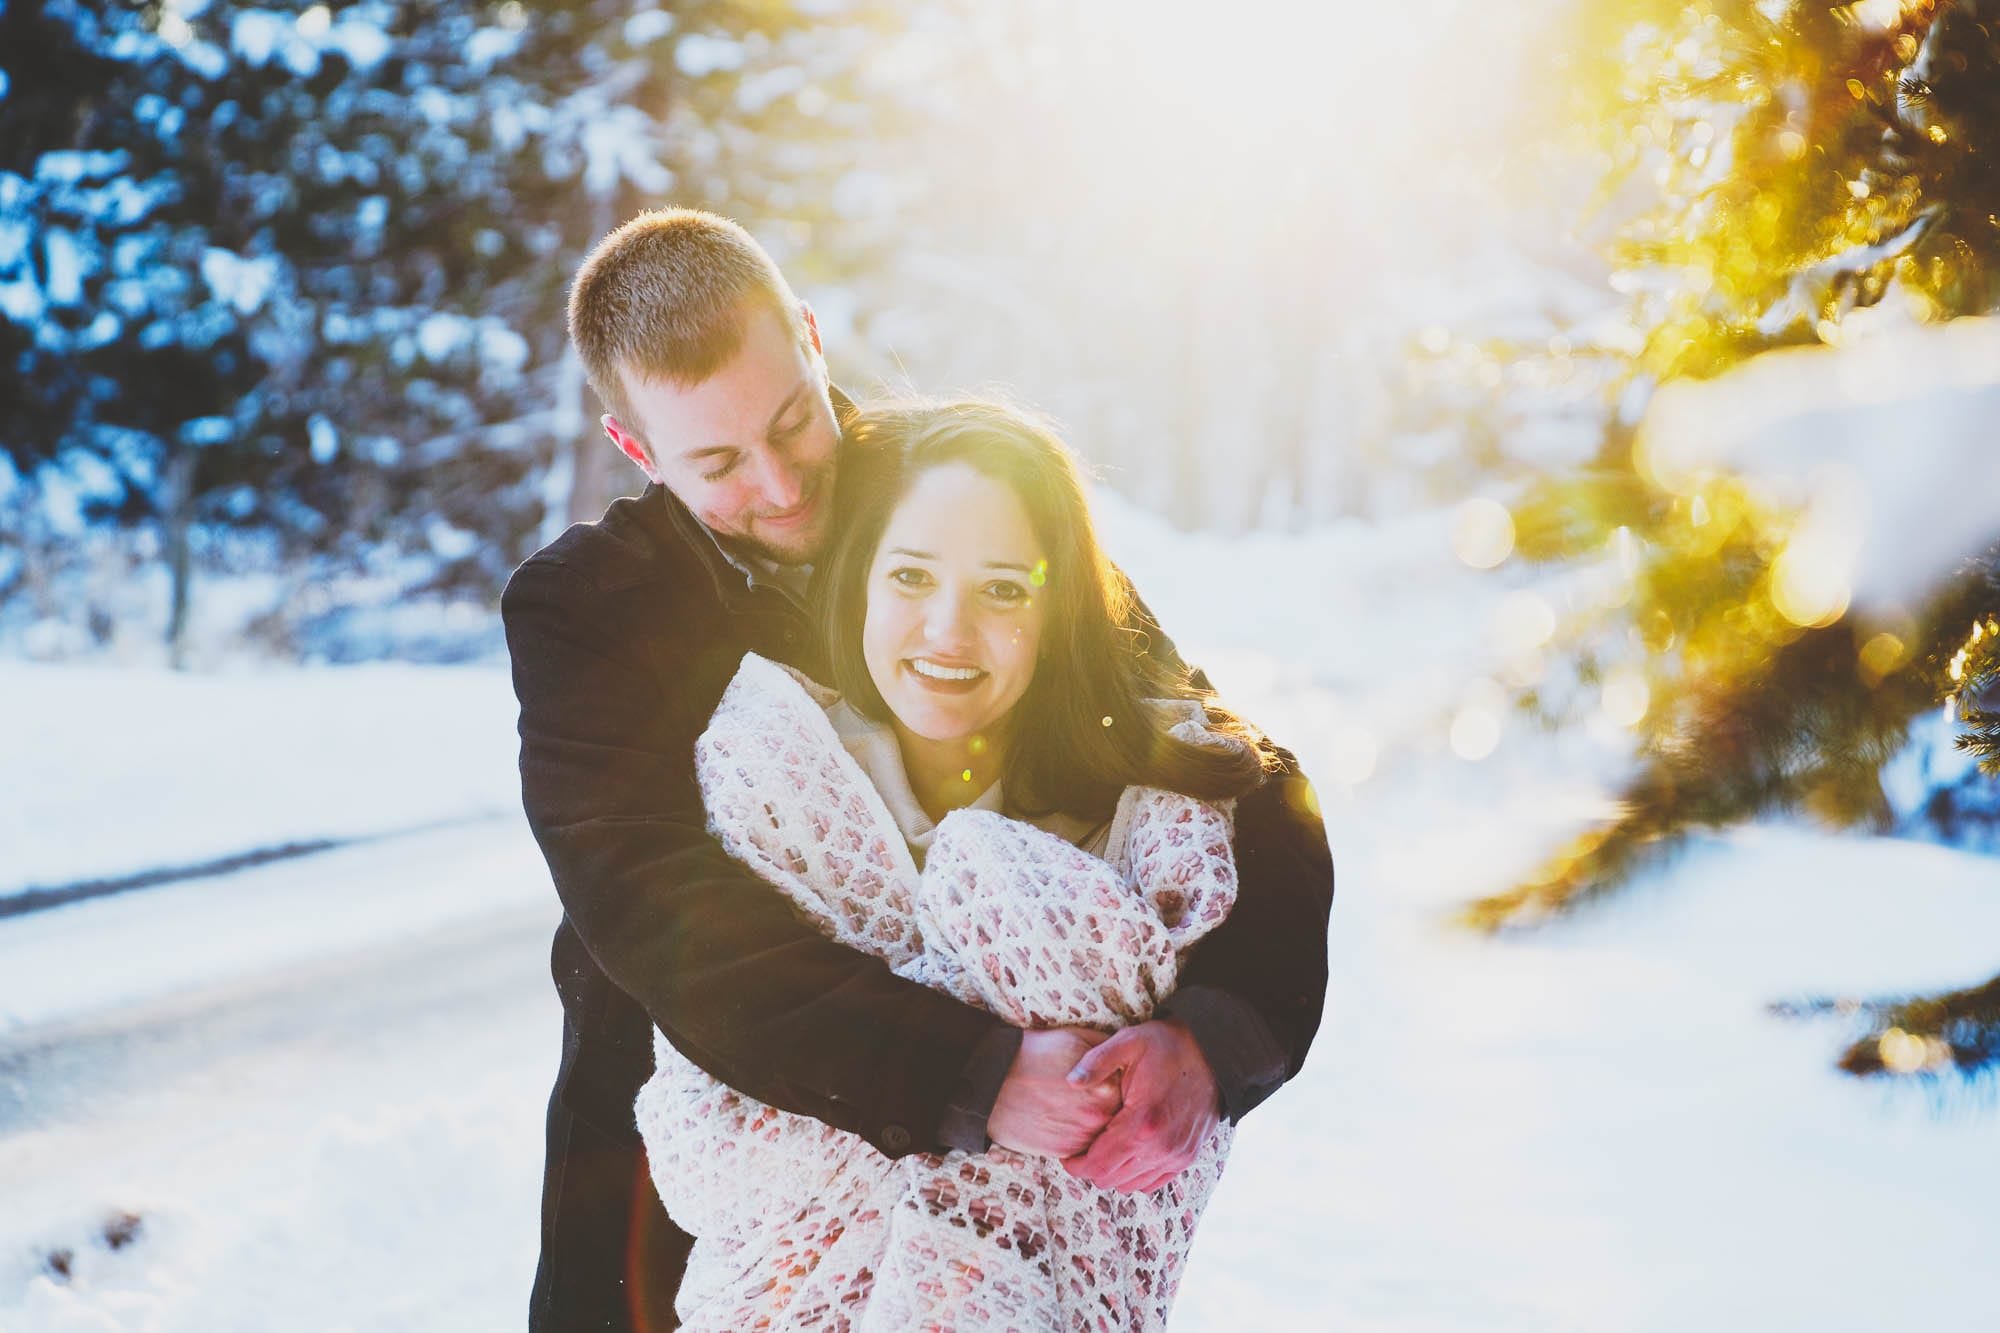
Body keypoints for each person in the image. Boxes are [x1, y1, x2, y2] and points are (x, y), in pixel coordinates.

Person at [502, 208, 1334, 1330]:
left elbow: (1237, 775)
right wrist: (968, 1071)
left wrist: (1214, 1036)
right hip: (693, 1126)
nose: (784, 484)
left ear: (807, 338)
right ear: (638, 450)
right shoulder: (584, 610)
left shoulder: (952, 492)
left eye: (792, 421)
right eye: (717, 463)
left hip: (1000, 1184)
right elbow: (649, 906)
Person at [634, 398, 1278, 1330]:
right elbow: (710, 1132)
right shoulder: (767, 778)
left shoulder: (1148, 825)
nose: (947, 630)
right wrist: (978, 1084)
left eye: (1004, 589)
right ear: (857, 581)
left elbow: (1152, 1140)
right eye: (910, 576)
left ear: (1060, 613)